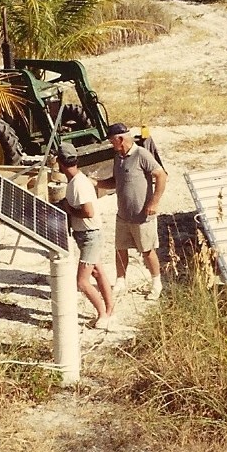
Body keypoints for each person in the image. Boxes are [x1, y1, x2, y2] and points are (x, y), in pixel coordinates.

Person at [97, 123, 168, 300]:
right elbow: (116, 181)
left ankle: (156, 283)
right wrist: (96, 183)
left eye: (112, 141)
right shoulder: (118, 158)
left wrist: (154, 202)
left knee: (147, 250)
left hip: (142, 216)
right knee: (120, 248)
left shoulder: (141, 155)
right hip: (123, 215)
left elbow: (161, 175)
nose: (111, 144)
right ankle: (120, 281)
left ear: (120, 139)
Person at [55, 141, 115, 329]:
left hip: (90, 236)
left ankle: (103, 315)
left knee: (82, 281)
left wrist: (69, 210)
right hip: (86, 235)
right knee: (97, 272)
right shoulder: (78, 181)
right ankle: (110, 307)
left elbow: (88, 212)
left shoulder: (79, 185)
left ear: (59, 162)